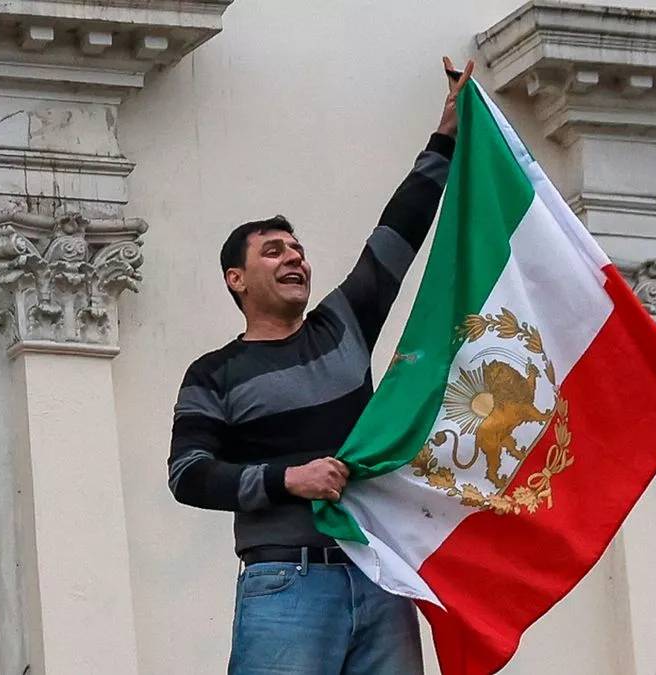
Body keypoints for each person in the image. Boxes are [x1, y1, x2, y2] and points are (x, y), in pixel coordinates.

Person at [167, 57, 475, 675]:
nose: (294, 259)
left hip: (378, 574)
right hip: (285, 582)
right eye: (273, 250)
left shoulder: (343, 327)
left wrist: (444, 137)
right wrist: (289, 479)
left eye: (299, 250)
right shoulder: (213, 373)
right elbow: (188, 475)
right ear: (236, 278)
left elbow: (399, 232)